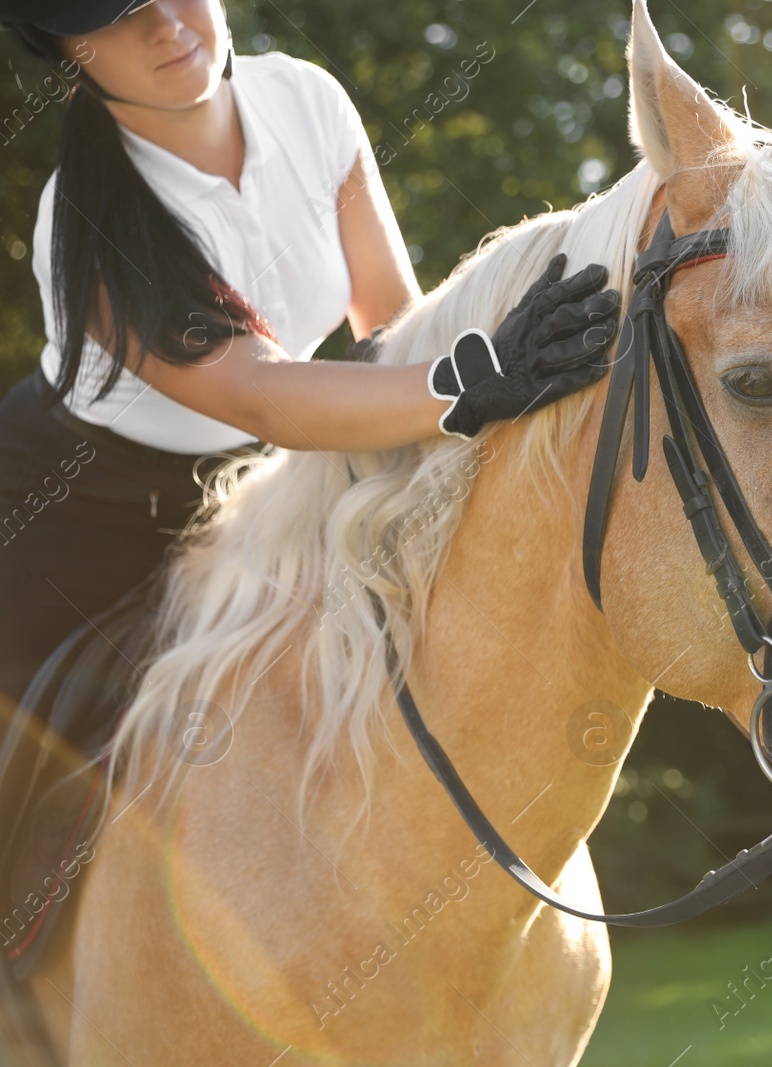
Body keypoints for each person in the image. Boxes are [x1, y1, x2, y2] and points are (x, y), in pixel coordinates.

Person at [0, 0, 622, 714]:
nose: (166, 25)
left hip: (252, 493)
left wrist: (501, 369)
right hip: (80, 519)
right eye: (114, 14)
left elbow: (391, 326)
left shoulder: (307, 100)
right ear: (61, 47)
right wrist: (471, 381)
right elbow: (259, 393)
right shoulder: (77, 225)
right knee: (38, 782)